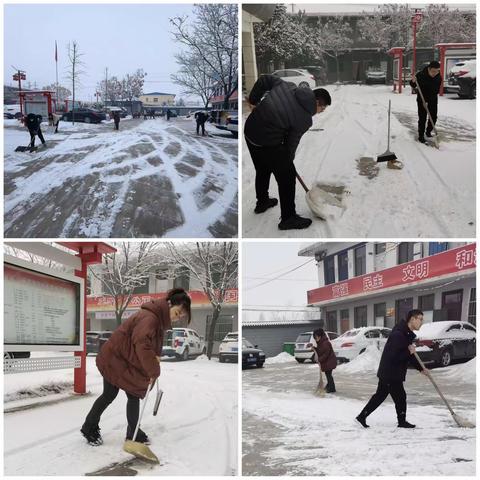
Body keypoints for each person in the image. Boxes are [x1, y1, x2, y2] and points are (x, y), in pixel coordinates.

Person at [80, 288, 192, 446]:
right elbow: (142, 344)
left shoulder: (157, 318)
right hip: (115, 359)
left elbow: (147, 344)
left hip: (123, 360)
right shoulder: (151, 318)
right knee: (110, 395)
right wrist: (153, 369)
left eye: (182, 315)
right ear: (169, 304)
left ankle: (132, 432)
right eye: (178, 311)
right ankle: (89, 427)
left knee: (131, 395)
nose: (178, 317)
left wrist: (154, 358)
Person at [244, 75, 331, 230]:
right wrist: (287, 163)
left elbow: (264, 80)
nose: (320, 112)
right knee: (287, 177)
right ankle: (288, 218)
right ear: (317, 102)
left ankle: (262, 202)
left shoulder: (287, 85)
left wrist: (253, 100)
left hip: (250, 131)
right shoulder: (305, 119)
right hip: (268, 140)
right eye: (322, 109)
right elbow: (291, 143)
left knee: (262, 168)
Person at [356, 310, 428, 429]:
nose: (421, 322)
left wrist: (421, 369)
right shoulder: (398, 334)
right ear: (412, 319)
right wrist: (408, 351)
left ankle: (362, 416)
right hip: (391, 373)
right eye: (420, 319)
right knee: (399, 397)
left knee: (381, 396)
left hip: (390, 372)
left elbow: (409, 355)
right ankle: (401, 421)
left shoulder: (406, 334)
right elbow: (394, 356)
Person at [409, 60, 442, 144]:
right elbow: (413, 85)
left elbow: (436, 90)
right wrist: (413, 81)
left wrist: (429, 100)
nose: (435, 73)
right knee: (422, 118)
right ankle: (421, 136)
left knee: (433, 117)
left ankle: (428, 132)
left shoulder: (438, 77)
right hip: (422, 100)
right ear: (429, 69)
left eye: (437, 71)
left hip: (433, 99)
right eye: (433, 71)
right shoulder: (420, 75)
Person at [311, 328, 337, 393]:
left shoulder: (325, 343)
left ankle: (331, 388)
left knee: (328, 375)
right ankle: (330, 386)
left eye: (316, 337)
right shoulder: (321, 342)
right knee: (328, 375)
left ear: (320, 336)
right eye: (315, 337)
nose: (316, 339)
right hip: (328, 362)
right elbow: (320, 351)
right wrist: (314, 348)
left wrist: (319, 359)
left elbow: (326, 354)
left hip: (329, 362)